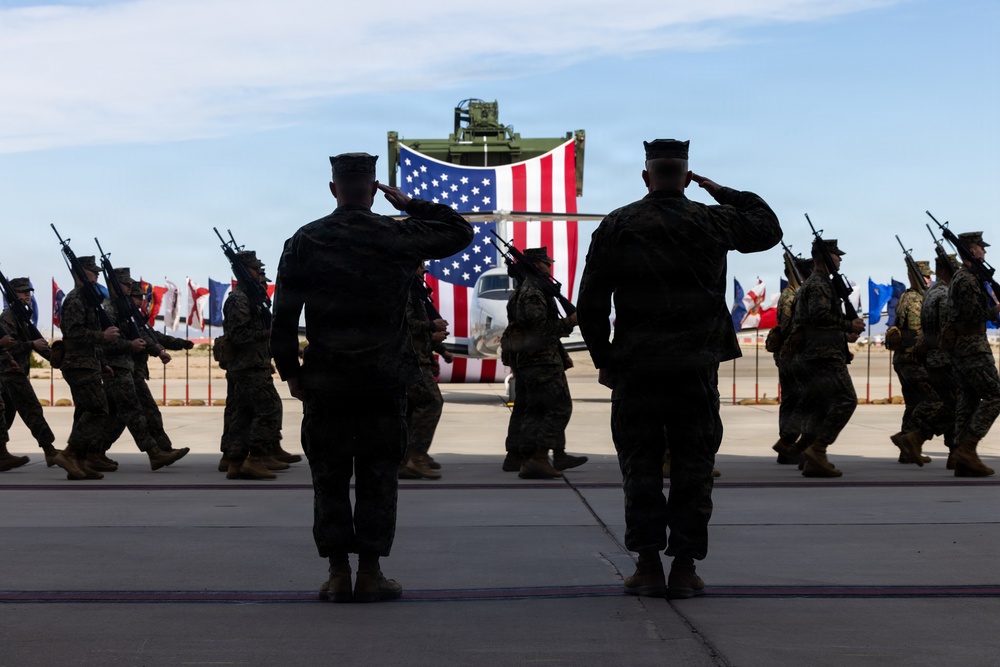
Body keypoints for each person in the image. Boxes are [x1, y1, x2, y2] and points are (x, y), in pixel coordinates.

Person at [576, 139, 781, 599]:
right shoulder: (712, 219)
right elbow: (767, 228)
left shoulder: (619, 224)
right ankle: (685, 567)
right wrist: (720, 190)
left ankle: (648, 565)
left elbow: (590, 301)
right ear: (686, 177)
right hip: (694, 367)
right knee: (694, 466)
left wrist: (603, 359)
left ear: (647, 177)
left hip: (637, 367)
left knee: (641, 465)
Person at [270, 152, 472, 603]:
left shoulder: (305, 240)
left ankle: (338, 573)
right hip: (384, 379)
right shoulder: (398, 233)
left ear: (333, 188)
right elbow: (460, 231)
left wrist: (291, 373)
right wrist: (412, 204)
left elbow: (282, 318)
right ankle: (371, 572)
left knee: (330, 477)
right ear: (374, 188)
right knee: (379, 476)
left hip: (326, 380)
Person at [778, 239, 867, 477]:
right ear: (826, 257)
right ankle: (817, 449)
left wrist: (843, 332)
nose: (839, 259)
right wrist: (849, 323)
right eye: (836, 256)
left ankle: (807, 455)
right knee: (846, 400)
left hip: (819, 352)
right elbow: (818, 316)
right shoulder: (818, 284)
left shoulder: (814, 284)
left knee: (820, 404)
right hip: (823, 354)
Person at [504, 247, 586, 479]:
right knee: (558, 407)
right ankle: (537, 458)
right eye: (547, 263)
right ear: (539, 265)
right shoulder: (532, 293)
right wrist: (569, 322)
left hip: (540, 359)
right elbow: (539, 330)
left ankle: (531, 459)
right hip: (540, 361)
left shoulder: (534, 290)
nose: (550, 267)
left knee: (536, 410)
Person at [99, 267, 187, 471]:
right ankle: (155, 452)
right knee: (131, 412)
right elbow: (105, 341)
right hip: (116, 369)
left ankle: (94, 452)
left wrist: (157, 349)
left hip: (127, 369)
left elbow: (142, 334)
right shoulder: (108, 310)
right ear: (113, 285)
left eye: (131, 285)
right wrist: (129, 346)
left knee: (120, 415)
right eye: (126, 284)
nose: (130, 288)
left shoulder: (125, 310)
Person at [219, 251, 285, 480]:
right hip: (248, 367)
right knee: (269, 408)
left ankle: (236, 463)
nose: (259, 273)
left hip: (251, 364)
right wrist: (266, 333)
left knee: (243, 415)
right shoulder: (239, 299)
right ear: (244, 271)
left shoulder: (249, 297)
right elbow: (238, 335)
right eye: (255, 269)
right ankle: (256, 458)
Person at [52, 255, 119, 480]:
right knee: (98, 409)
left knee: (84, 411)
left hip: (88, 363)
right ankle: (70, 454)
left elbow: (88, 337)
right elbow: (74, 333)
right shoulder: (75, 300)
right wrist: (103, 335)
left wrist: (102, 364)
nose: (97, 274)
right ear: (80, 273)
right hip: (78, 364)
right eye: (93, 271)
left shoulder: (87, 299)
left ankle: (78, 462)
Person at [946, 231, 999, 477]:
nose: (985, 252)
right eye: (981, 247)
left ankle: (961, 459)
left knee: (967, 399)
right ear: (970, 249)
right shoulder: (966, 279)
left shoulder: (966, 277)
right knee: (995, 396)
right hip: (972, 345)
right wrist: (995, 310)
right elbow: (972, 315)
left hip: (964, 346)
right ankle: (967, 448)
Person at [398, 264, 451, 480]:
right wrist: (431, 327)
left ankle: (407, 457)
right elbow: (405, 325)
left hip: (417, 357)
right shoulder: (405, 291)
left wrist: (439, 350)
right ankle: (415, 457)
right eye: (419, 266)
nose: (424, 271)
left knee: (412, 407)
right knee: (431, 402)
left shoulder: (414, 290)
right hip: (410, 359)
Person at [888, 260, 943, 464]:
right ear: (916, 277)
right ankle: (907, 439)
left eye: (930, 276)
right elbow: (917, 330)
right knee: (933, 400)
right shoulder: (914, 299)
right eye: (926, 276)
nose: (929, 280)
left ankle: (907, 451)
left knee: (913, 404)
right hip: (913, 359)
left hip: (907, 359)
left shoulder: (914, 297)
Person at [0, 278, 57, 468]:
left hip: (16, 372)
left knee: (7, 414)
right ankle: (49, 450)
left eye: (29, 292)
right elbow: (7, 346)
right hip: (10, 372)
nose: (27, 295)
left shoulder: (23, 317)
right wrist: (30, 345)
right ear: (12, 295)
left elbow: (39, 344)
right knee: (31, 409)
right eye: (22, 292)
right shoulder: (8, 317)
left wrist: (59, 360)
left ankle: (1, 453)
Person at [770, 258, 813, 465]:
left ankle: (788, 448)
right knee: (799, 402)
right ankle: (790, 447)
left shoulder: (792, 295)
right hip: (793, 356)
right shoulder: (790, 297)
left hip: (791, 355)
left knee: (792, 401)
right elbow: (790, 329)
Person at [919, 253, 960, 467]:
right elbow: (948, 327)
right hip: (944, 358)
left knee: (950, 404)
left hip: (933, 357)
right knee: (954, 405)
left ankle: (954, 453)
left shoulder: (930, 293)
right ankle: (917, 436)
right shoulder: (944, 293)